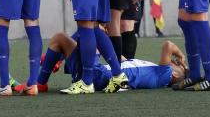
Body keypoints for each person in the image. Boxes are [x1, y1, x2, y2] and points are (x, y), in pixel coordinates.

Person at [37, 31, 188, 91]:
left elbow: (168, 46)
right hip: (98, 74)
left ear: (174, 74)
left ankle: (58, 60)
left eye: (177, 65)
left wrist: (181, 56)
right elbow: (122, 61)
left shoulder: (164, 76)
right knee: (60, 39)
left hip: (100, 76)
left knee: (92, 32)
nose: (174, 61)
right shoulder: (152, 71)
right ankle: (41, 83)